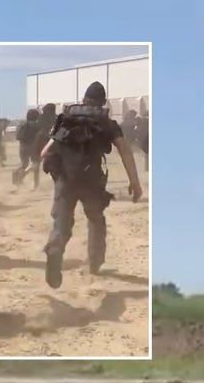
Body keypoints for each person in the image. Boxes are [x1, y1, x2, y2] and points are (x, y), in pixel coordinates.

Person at [39, 81, 142, 288]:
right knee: (95, 219)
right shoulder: (107, 123)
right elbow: (125, 151)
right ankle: (95, 262)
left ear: (84, 99)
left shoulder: (66, 119)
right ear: (103, 102)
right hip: (92, 181)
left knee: (61, 223)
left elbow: (44, 153)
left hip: (65, 180)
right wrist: (134, 182)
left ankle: (56, 248)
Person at [12, 108, 45, 190]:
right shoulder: (38, 125)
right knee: (36, 165)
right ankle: (35, 185)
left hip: (23, 147)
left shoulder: (23, 125)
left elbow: (17, 137)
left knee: (24, 164)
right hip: (34, 147)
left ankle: (16, 176)